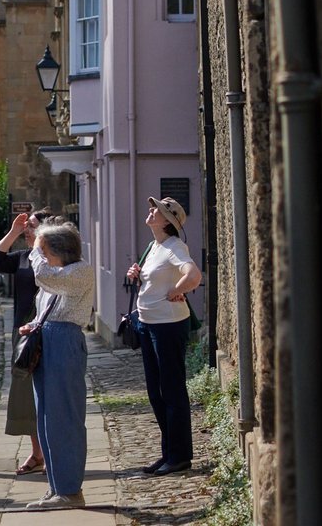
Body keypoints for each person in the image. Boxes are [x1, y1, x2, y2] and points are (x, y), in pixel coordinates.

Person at [126, 197, 202, 477]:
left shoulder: (174, 246)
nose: (150, 211)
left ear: (168, 221)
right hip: (148, 324)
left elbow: (193, 274)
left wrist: (177, 290)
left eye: (155, 210)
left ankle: (180, 456)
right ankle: (168, 452)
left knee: (171, 392)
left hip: (168, 326)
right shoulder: (154, 247)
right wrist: (137, 274)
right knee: (156, 393)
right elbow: (155, 279)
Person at [23, 221, 95, 509]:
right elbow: (48, 304)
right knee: (47, 420)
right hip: (49, 339)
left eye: (44, 250)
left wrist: (34, 253)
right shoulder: (59, 274)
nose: (40, 255)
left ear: (58, 251)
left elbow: (43, 275)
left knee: (64, 417)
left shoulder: (79, 270)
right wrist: (33, 324)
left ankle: (70, 490)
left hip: (64, 342)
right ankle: (57, 487)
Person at [0, 208, 58, 476]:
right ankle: (37, 453)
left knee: (49, 392)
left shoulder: (56, 258)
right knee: (25, 393)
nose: (27, 229)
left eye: (31, 226)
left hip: (49, 330)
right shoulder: (23, 258)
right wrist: (14, 232)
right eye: (26, 226)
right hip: (24, 333)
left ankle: (52, 453)